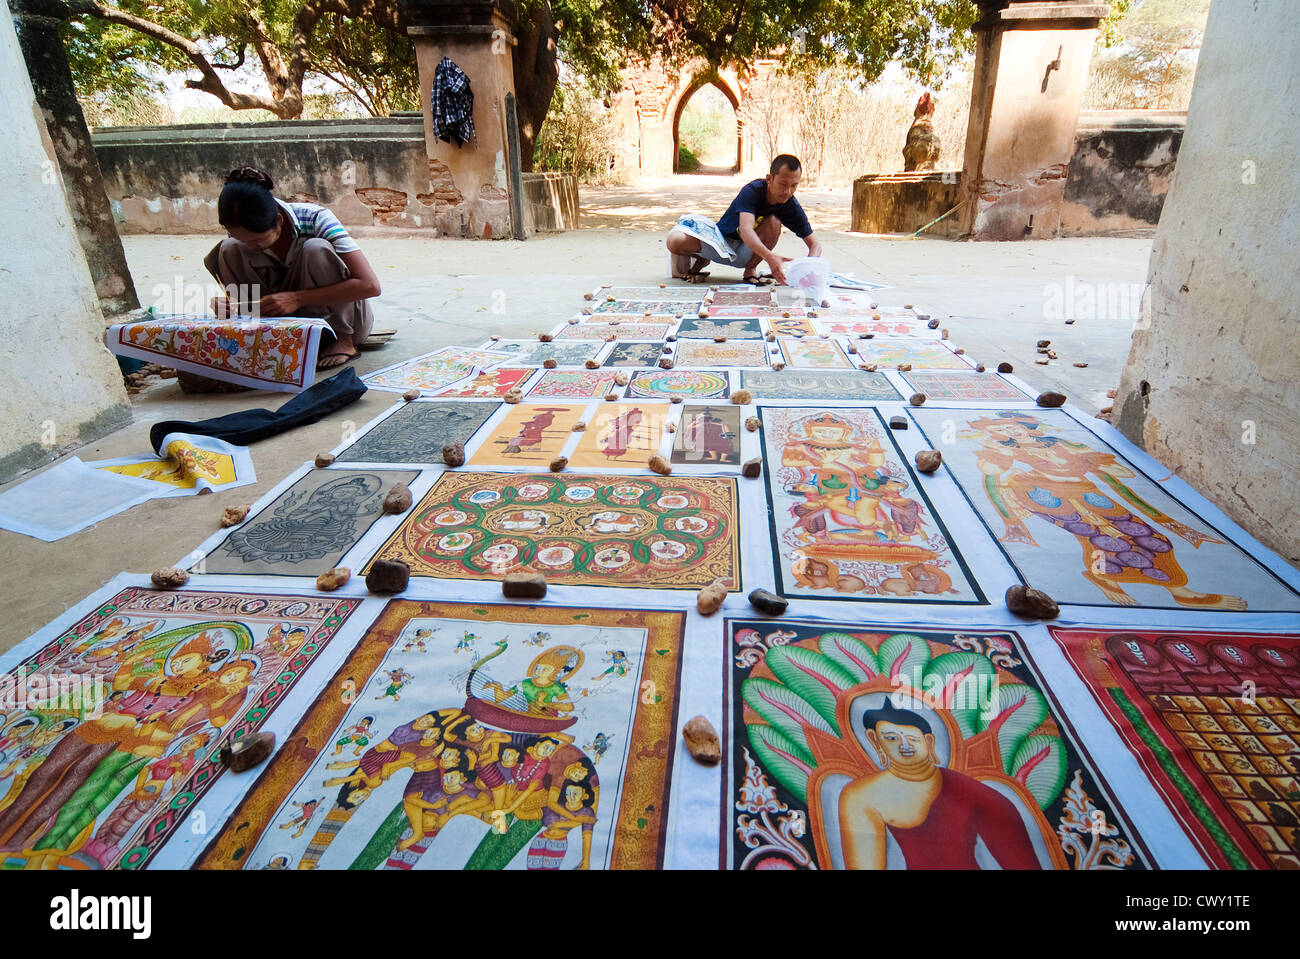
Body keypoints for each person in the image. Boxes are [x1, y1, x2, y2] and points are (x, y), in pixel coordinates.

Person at [206, 167, 381, 369]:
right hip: (281, 321)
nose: (250, 247)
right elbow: (245, 282)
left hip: (340, 322)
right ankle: (260, 335)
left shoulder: (317, 219)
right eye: (242, 239)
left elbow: (370, 286)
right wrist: (231, 306)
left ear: (279, 221)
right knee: (228, 248)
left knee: (315, 248)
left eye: (257, 240)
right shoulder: (242, 233)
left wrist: (297, 299)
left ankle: (343, 342)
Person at [837, 700, 1042, 869]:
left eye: (912, 738)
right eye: (891, 738)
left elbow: (1019, 858)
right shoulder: (861, 794)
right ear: (875, 742)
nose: (904, 745)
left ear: (929, 741)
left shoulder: (970, 791)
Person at [666, 155, 823, 286]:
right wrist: (770, 257)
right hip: (721, 241)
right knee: (675, 240)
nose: (787, 191)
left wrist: (809, 268)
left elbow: (815, 245)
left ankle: (750, 270)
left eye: (794, 186)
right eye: (783, 184)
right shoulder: (752, 191)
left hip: (745, 253)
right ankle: (702, 259)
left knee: (774, 222)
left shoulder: (790, 205)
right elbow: (746, 229)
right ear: (769, 179)